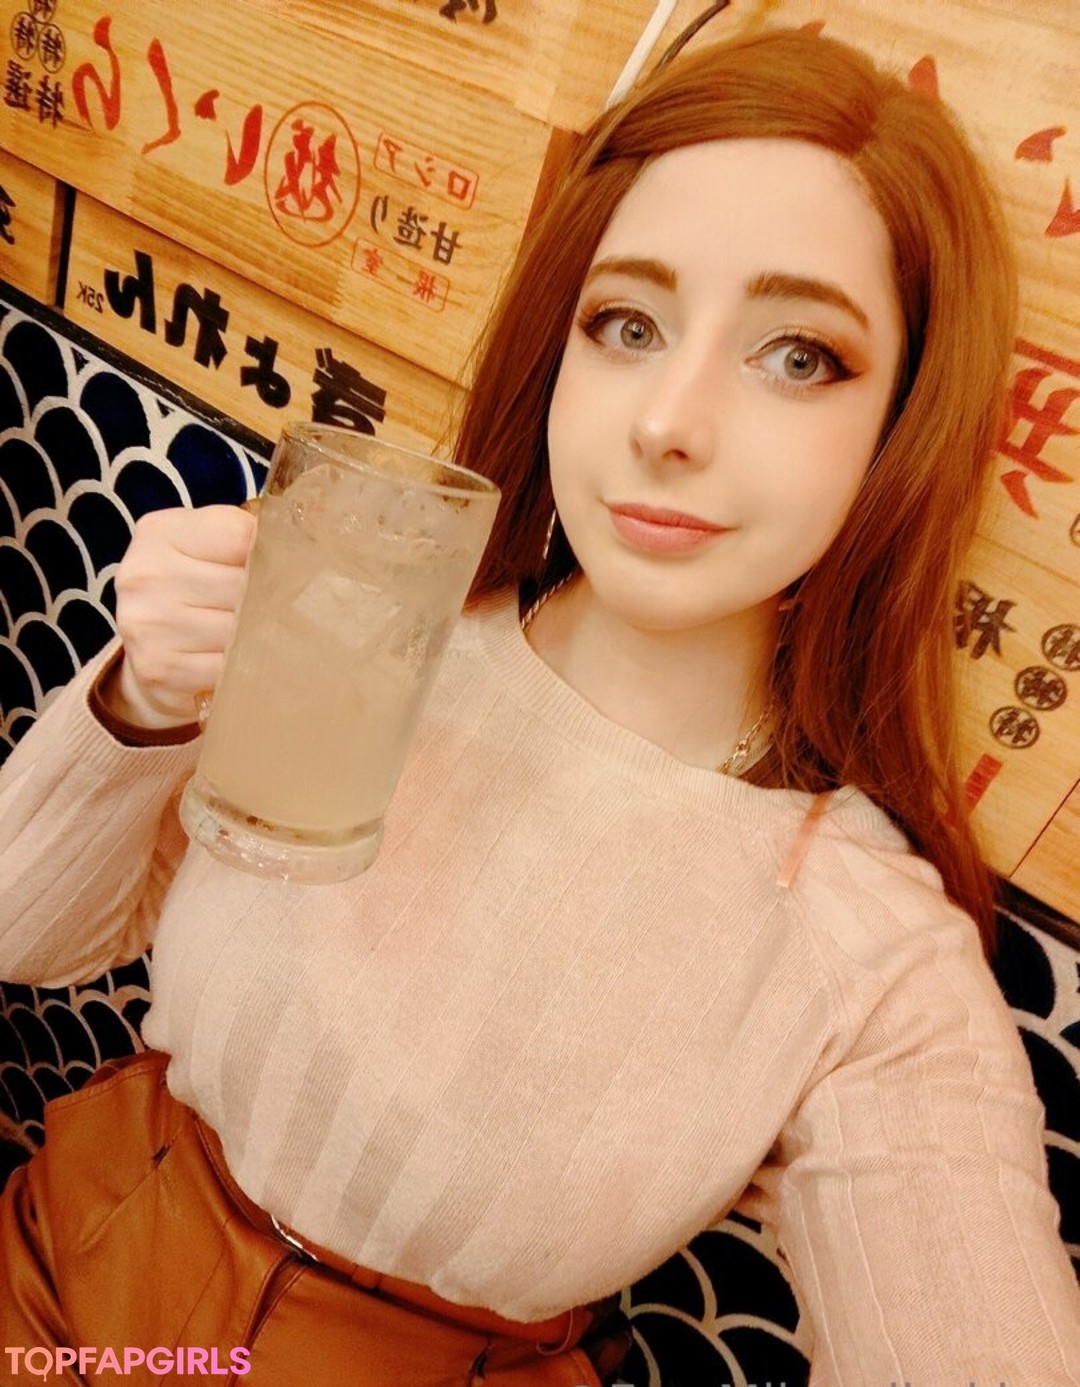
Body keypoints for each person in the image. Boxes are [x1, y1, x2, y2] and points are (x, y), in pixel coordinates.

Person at [2, 25, 1079, 1387]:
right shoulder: (363, 625)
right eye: (626, 326)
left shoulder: (864, 949)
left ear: (900, 429)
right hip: (50, 1282)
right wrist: (140, 702)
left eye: (800, 356)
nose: (669, 421)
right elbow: (24, 936)